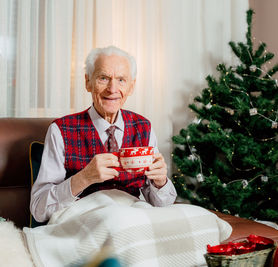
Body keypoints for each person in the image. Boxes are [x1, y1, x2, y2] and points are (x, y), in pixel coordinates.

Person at [30, 46, 177, 222]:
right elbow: (38, 210)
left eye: (121, 80)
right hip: (84, 221)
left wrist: (160, 182)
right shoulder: (60, 129)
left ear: (131, 87)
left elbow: (165, 206)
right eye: (103, 78)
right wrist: (84, 178)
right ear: (88, 82)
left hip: (132, 218)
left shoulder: (143, 127)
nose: (112, 88)